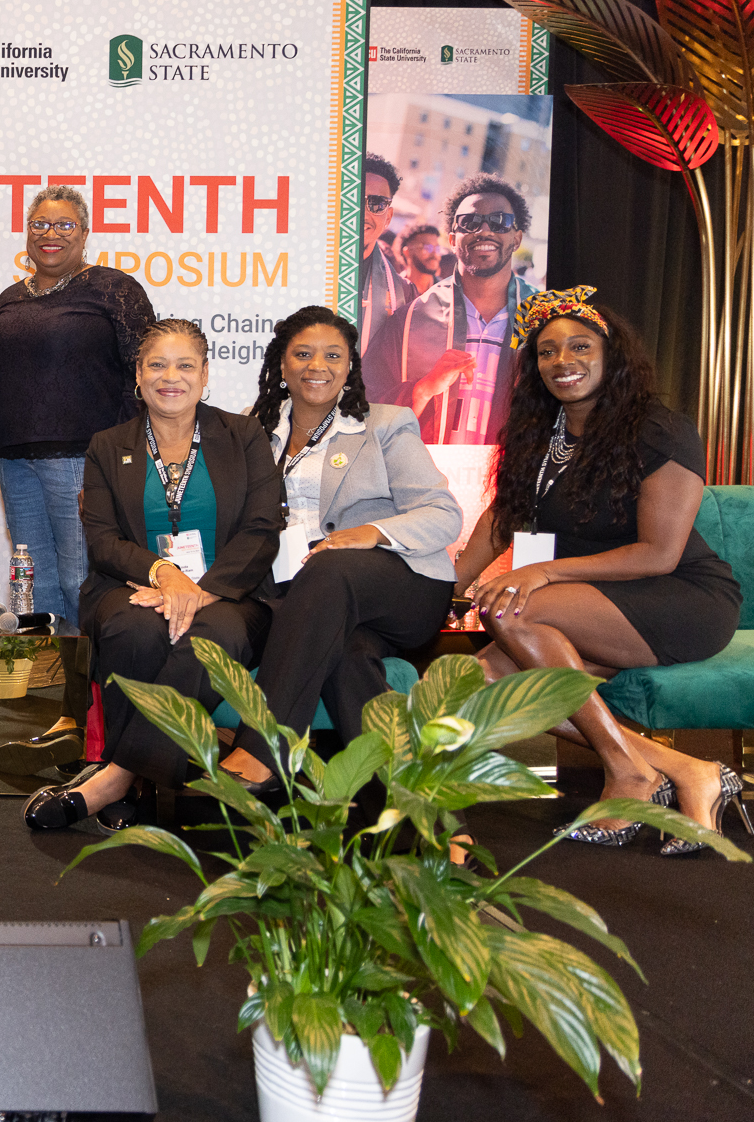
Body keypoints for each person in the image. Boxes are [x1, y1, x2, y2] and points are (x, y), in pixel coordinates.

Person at [458, 288, 747, 853]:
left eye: (580, 346)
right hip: (595, 604)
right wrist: (450, 584)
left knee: (514, 607)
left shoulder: (659, 428)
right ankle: (687, 771)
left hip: (680, 597)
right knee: (479, 684)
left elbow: (658, 553)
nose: (562, 360)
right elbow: (502, 518)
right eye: (546, 352)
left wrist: (543, 574)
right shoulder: (539, 435)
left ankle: (628, 772)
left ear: (613, 355)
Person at [23, 319, 282, 832]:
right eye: (157, 364)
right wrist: (165, 574)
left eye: (186, 365)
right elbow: (102, 541)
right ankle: (136, 777)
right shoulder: (106, 444)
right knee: (132, 628)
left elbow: (261, 529)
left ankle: (119, 776)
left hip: (230, 593)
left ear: (205, 375)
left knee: (215, 636)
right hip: (131, 587)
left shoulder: (244, 435)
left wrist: (201, 592)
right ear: (138, 375)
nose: (172, 377)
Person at [0, 185, 153, 776]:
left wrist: (128, 461)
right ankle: (64, 713)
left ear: (84, 234)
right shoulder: (6, 298)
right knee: (43, 587)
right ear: (26, 233)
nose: (49, 234)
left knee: (85, 581)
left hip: (85, 459)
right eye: (39, 224)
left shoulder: (111, 289)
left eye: (64, 225)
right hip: (17, 459)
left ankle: (100, 721)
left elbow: (144, 370)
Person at [246, 307, 461, 740]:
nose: (317, 366)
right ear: (281, 364)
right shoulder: (252, 429)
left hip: (401, 586)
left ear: (349, 366)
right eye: (303, 354)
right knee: (347, 656)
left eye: (333, 355)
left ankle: (262, 750)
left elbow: (443, 514)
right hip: (306, 600)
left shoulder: (385, 424)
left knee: (329, 566)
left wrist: (373, 533)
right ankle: (392, 801)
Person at [364, 173, 540, 446]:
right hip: (424, 482)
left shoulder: (545, 320)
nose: (484, 230)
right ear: (452, 238)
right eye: (469, 222)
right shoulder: (411, 318)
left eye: (500, 222)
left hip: (512, 482)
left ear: (516, 238)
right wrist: (420, 390)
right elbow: (368, 404)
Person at [358, 153, 413, 357]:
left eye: (377, 203)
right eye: (352, 197)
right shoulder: (296, 274)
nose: (362, 212)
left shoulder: (403, 296)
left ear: (388, 216)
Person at [400, 224, 449, 296]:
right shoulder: (393, 289)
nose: (434, 254)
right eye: (427, 248)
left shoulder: (445, 294)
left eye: (437, 248)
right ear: (407, 252)